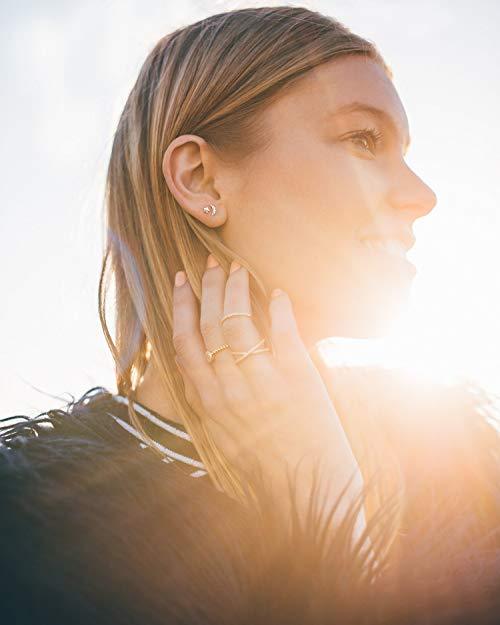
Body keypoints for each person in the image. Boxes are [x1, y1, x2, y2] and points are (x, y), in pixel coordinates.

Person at [3, 5, 500, 623]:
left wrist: (330, 499)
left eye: (403, 151)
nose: (423, 197)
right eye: (363, 140)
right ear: (201, 178)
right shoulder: (29, 535)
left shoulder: (466, 467)